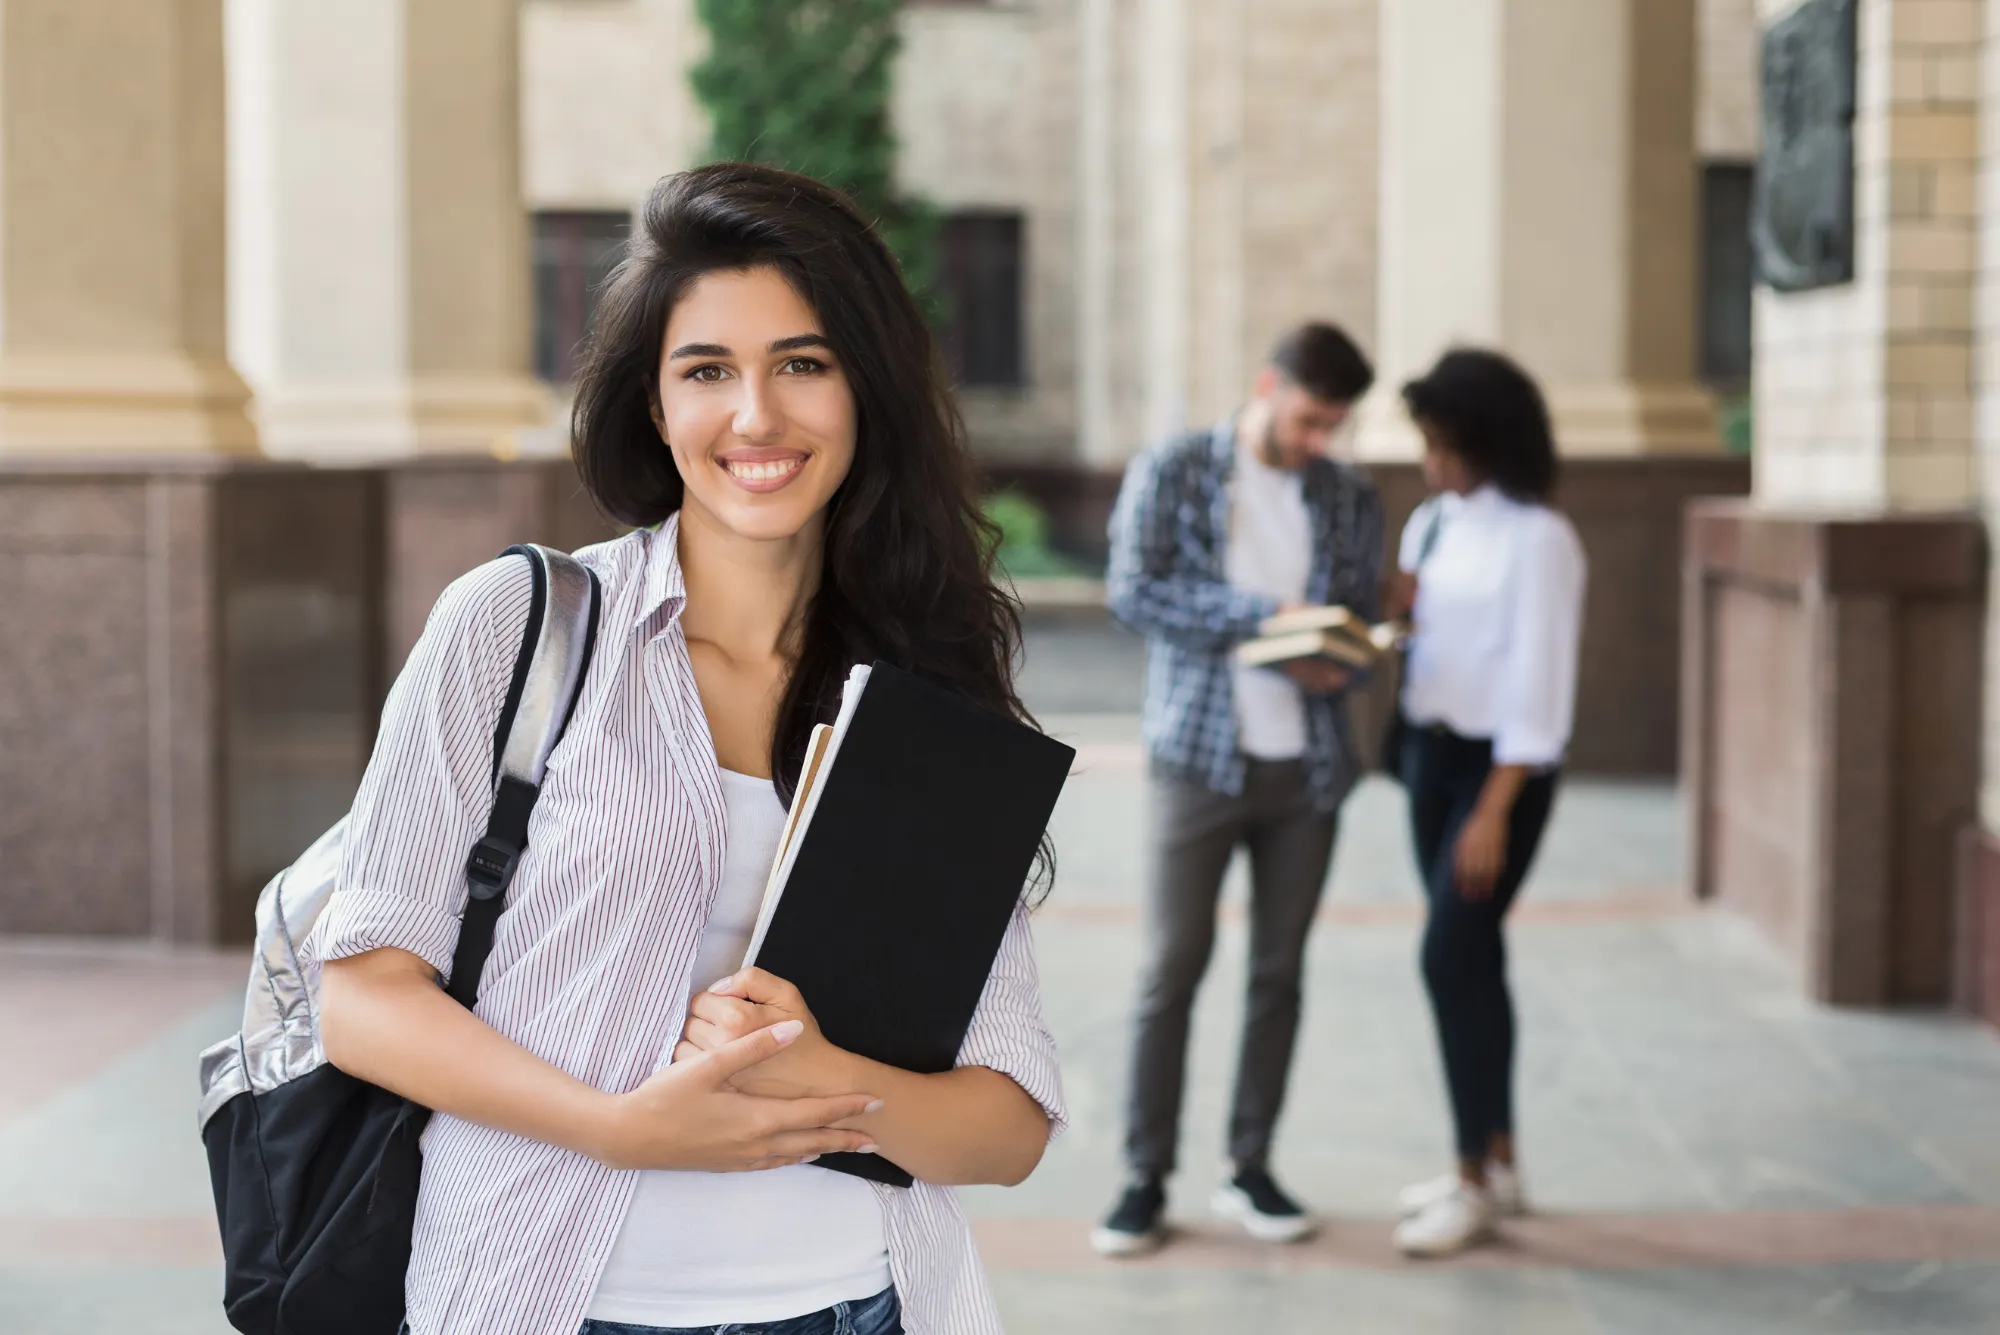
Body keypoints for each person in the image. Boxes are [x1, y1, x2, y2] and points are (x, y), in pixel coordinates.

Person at [305, 163, 1065, 1335]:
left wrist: (823, 1074)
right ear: (654, 409)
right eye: (706, 371)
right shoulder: (519, 628)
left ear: (866, 391)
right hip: (540, 1296)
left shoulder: (927, 690)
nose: (755, 416)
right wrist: (620, 1126)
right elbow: (361, 997)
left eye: (801, 365)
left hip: (859, 1304)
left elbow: (1005, 1128)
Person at [1093, 324, 1383, 1256]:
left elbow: (1363, 614)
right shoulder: (1176, 468)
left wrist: (1341, 657)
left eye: (1332, 426)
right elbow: (1135, 589)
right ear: (1268, 385)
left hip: (1310, 766)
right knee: (1170, 968)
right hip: (1199, 758)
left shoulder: (1347, 494)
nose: (1315, 442)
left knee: (1278, 974)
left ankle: (1249, 1166)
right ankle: (1144, 1175)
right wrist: (1268, 619)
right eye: (1306, 420)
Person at [1385, 348, 1586, 1258]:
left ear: (1489, 441)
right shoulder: (1431, 524)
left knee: (1448, 957)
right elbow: (1426, 647)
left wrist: (1493, 809)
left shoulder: (1539, 539)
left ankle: (1473, 1182)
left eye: (1446, 444)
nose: (1432, 462)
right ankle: (1496, 1166)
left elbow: (1539, 692)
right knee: (1473, 963)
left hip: (1498, 779)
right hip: (1430, 762)